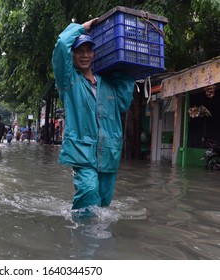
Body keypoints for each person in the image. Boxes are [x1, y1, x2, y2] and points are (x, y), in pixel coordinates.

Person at [52, 19, 135, 215]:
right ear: (72, 55)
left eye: (89, 50)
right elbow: (62, 44)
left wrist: (118, 70)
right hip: (82, 151)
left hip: (109, 151)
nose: (85, 55)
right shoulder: (69, 81)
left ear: (94, 54)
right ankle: (81, 238)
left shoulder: (108, 84)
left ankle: (100, 241)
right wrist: (82, 27)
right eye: (80, 51)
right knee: (89, 191)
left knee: (104, 204)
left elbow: (124, 102)